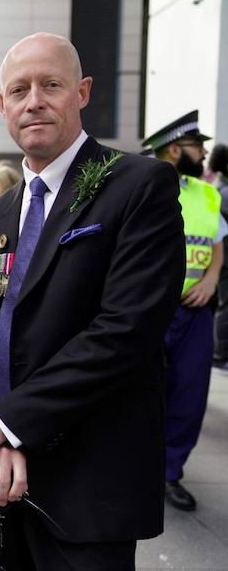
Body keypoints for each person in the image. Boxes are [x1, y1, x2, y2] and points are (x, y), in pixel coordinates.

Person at [0, 32, 185, 570]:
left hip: (88, 489)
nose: (34, 100)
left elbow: (125, 333)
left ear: (82, 91)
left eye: (50, 85)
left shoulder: (140, 186)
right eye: (19, 89)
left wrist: (5, 421)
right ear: (1, 104)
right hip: (4, 486)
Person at [143, 112, 226, 512]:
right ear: (175, 149)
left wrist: (211, 279)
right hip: (150, 311)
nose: (205, 152)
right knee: (143, 393)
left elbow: (217, 240)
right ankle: (136, 468)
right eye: (198, 146)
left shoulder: (207, 193)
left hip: (194, 313)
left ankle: (169, 473)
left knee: (189, 397)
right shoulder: (141, 186)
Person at [209, 144, 228, 368]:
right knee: (225, 306)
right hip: (224, 260)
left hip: (220, 258)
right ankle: (221, 354)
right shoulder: (223, 191)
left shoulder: (217, 187)